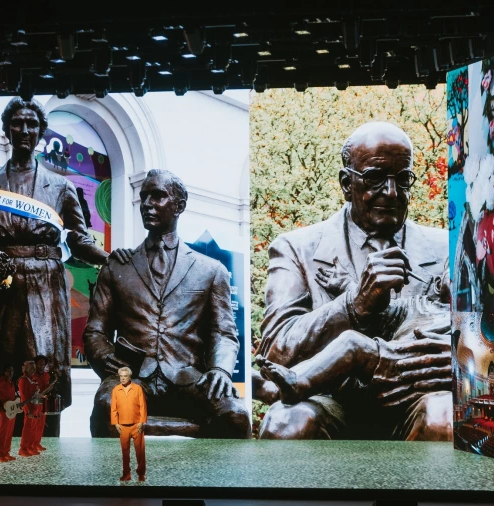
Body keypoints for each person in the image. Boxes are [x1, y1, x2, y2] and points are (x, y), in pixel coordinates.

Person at [257, 121, 452, 440]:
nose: (391, 193)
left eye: (403, 180)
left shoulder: (448, 248)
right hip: (330, 401)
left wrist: (454, 354)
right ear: (347, 183)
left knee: (445, 415)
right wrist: (354, 305)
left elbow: (487, 337)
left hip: (417, 397)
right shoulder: (298, 248)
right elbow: (276, 352)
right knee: (285, 424)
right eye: (375, 178)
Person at [84, 169, 251, 439]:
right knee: (107, 405)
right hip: (133, 377)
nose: (148, 204)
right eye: (144, 197)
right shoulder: (117, 267)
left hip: (187, 378)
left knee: (236, 415)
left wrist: (220, 370)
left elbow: (223, 333)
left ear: (179, 206)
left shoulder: (210, 270)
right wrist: (106, 359)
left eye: (158, 196)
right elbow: (95, 332)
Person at [0, 98, 111, 437]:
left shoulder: (61, 187)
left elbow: (80, 240)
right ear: (7, 129)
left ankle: (46, 451)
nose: (24, 130)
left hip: (45, 284)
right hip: (3, 286)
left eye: (31, 124)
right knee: (2, 370)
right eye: (17, 123)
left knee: (44, 371)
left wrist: (111, 259)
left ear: (40, 132)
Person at [112, 366, 147, 482]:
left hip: (136, 425)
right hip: (123, 426)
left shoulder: (137, 389)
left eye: (125, 376)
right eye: (121, 376)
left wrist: (142, 422)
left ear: (129, 376)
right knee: (125, 452)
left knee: (140, 451)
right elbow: (113, 409)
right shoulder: (116, 390)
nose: (122, 378)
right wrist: (116, 423)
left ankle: (141, 474)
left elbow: (143, 406)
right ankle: (126, 474)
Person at [0, 364, 18, 462]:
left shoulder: (10, 382)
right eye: (8, 370)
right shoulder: (1, 381)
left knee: (9, 432)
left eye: (12, 370)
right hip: (4, 410)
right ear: (4, 372)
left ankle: (6, 452)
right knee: (3, 432)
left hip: (11, 410)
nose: (11, 372)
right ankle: (0, 455)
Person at [17, 361, 42, 457]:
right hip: (29, 408)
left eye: (34, 368)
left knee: (32, 429)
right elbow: (23, 396)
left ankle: (30, 447)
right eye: (31, 368)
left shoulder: (32, 379)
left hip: (35, 407)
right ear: (26, 369)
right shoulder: (23, 380)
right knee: (27, 429)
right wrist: (28, 410)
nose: (33, 370)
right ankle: (23, 448)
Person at [32, 354, 51, 450]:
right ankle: (32, 445)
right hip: (34, 403)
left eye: (43, 364)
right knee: (34, 425)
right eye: (40, 364)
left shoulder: (46, 375)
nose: (41, 366)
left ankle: (37, 443)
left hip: (43, 402)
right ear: (35, 365)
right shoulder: (32, 375)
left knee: (41, 424)